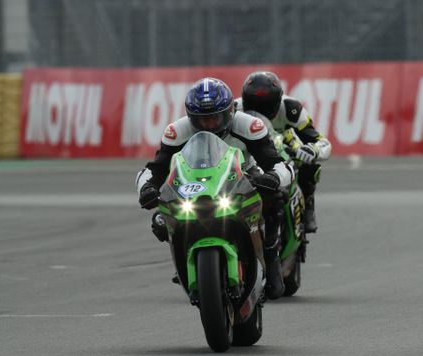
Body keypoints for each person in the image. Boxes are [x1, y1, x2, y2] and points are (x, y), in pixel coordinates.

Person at [135, 77, 294, 300]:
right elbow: (155, 169)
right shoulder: (176, 131)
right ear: (191, 117)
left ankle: (270, 254)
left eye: (214, 118)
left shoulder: (249, 126)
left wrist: (274, 178)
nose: (209, 124)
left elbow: (277, 163)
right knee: (160, 220)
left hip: (243, 175)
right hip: (194, 182)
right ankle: (184, 256)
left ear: (229, 112)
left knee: (275, 199)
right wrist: (146, 189)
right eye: (202, 119)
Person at [236, 71, 331, 233]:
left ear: (278, 100)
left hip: (284, 143)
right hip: (251, 147)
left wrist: (313, 150)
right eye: (254, 106)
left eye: (267, 106)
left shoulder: (291, 108)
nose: (261, 112)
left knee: (309, 165)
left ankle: (308, 205)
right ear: (245, 100)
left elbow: (322, 142)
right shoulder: (235, 109)